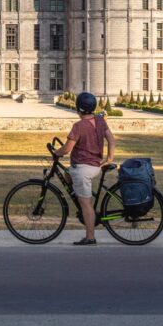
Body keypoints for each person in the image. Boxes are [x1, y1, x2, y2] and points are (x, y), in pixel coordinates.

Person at [51, 91, 115, 246]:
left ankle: (90, 236)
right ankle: (84, 204)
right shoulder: (100, 121)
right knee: (68, 173)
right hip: (95, 166)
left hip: (83, 170)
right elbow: (111, 139)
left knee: (85, 203)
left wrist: (55, 152)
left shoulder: (78, 126)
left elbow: (67, 149)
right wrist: (109, 159)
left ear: (78, 108)